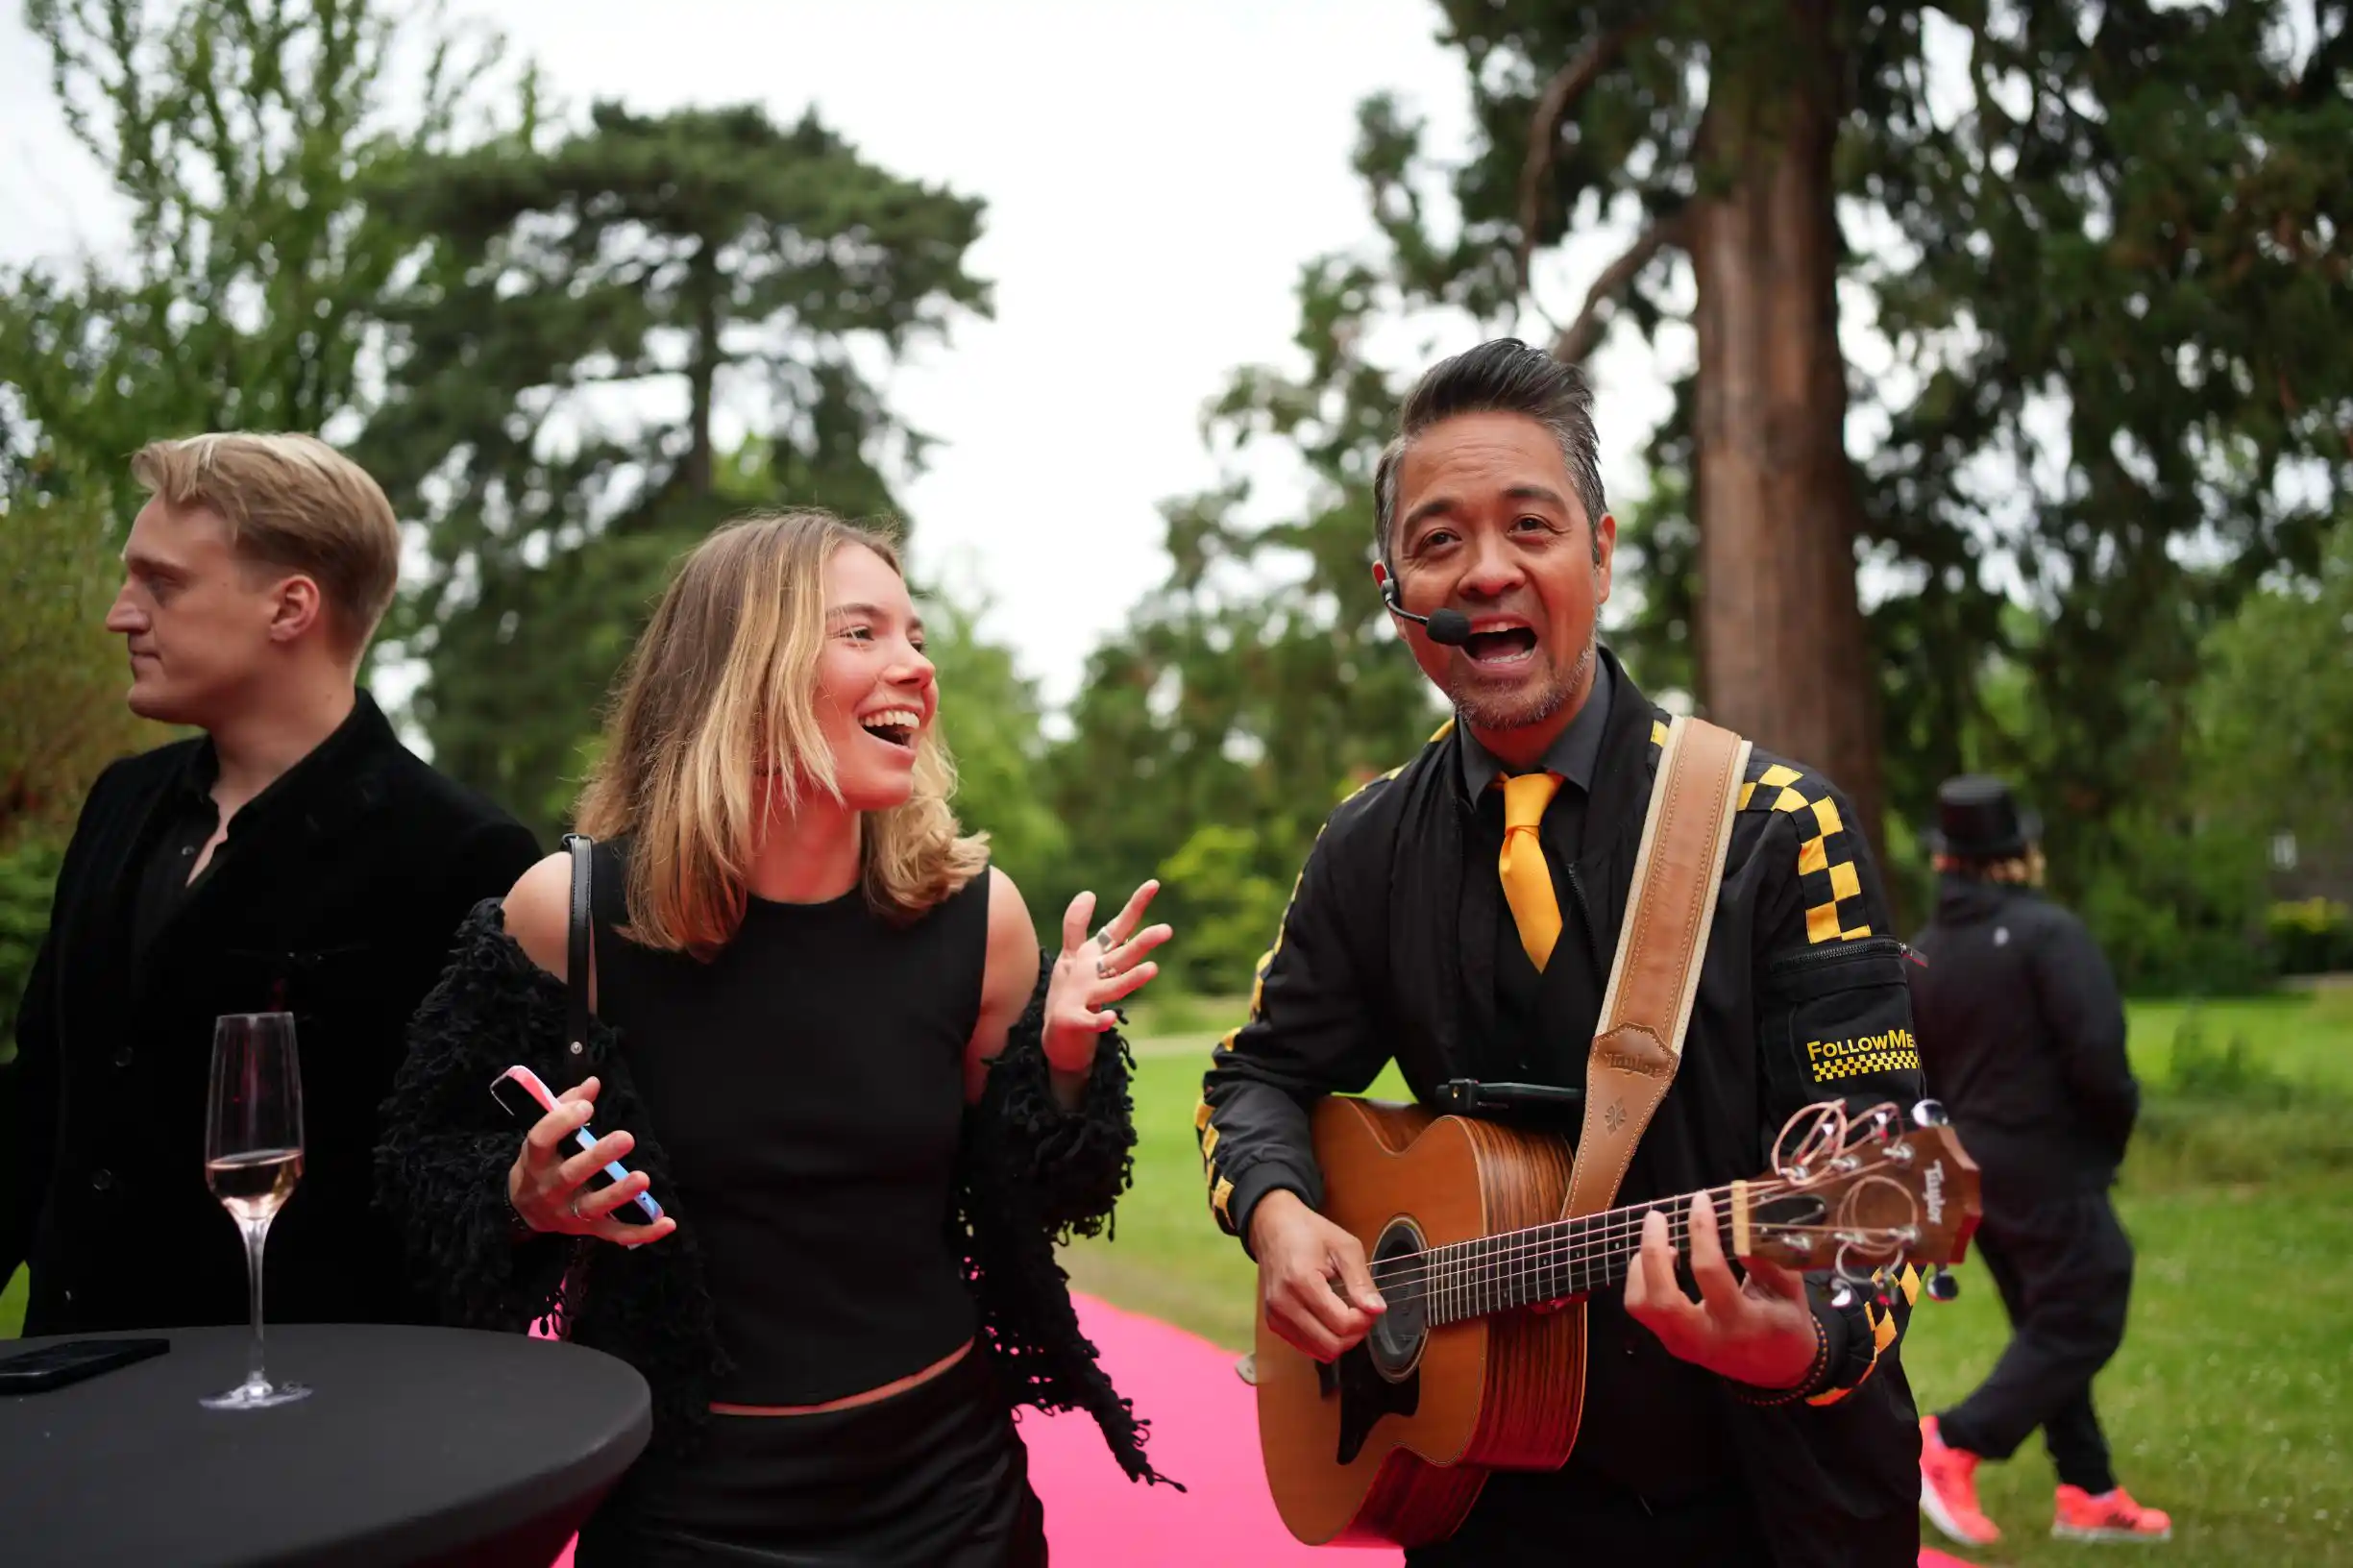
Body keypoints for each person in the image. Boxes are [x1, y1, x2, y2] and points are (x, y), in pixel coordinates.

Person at [1199, 339, 1931, 1566]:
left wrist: (1799, 1341)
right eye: (1440, 540)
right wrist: (1279, 1217)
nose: (1487, 569)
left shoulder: (1775, 828)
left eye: (1529, 527)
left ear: (1599, 550)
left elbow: (1885, 1176)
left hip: (1763, 1513)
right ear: (1393, 588)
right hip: (1478, 1506)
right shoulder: (1368, 848)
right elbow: (1252, 1078)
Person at [376, 509, 1178, 1565]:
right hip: (684, 1508)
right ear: (740, 672)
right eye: (862, 633)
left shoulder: (980, 920)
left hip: (949, 1494)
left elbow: (1048, 1197)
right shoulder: (565, 916)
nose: (916, 667)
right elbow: (416, 1171)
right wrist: (522, 1197)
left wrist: (1067, 1064)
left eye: (916, 636)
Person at [1, 432, 542, 1337]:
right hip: (68, 1386)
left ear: (290, 607)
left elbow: (470, 1189)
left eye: (161, 584)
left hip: (311, 1402)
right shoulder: (121, 804)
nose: (121, 615)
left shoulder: (461, 857)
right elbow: (40, 1098)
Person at [1909, 775, 2171, 1547]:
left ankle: (2087, 1490)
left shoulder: (1923, 953)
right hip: (2045, 1162)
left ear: (1945, 860)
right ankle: (1951, 1441)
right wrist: (2105, 1144)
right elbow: (2099, 1060)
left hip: (1967, 1170)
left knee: (2045, 1324)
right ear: (2019, 854)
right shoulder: (2047, 934)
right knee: (2085, 1306)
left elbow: (1918, 1072)